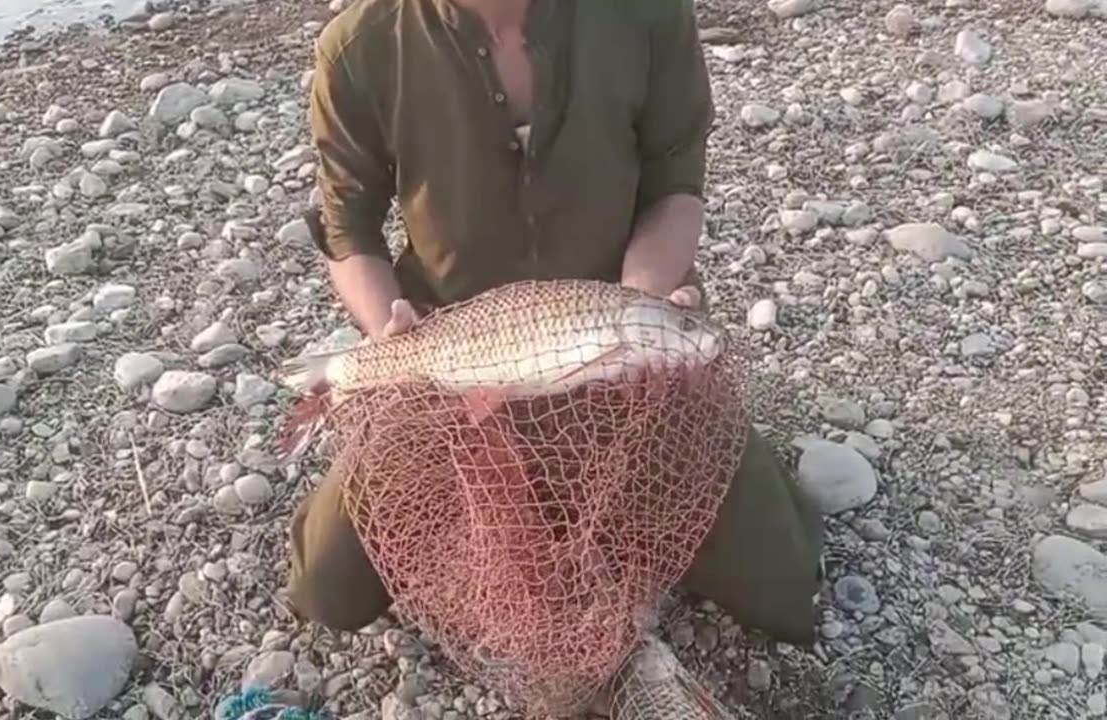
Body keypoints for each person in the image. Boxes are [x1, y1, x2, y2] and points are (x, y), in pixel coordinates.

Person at [285, 0, 825, 648]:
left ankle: (607, 500)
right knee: (326, 588)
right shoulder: (358, 45)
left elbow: (675, 186)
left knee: (785, 588)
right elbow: (348, 233)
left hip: (615, 312)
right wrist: (387, 331)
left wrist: (640, 304)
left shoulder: (649, 16)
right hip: (452, 341)